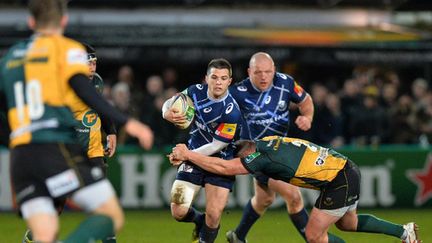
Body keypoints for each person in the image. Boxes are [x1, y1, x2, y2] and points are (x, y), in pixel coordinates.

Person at [0, 1, 153, 242]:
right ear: (64, 20)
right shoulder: (67, 50)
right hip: (54, 147)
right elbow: (86, 90)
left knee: (44, 234)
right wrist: (126, 122)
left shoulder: (10, 57)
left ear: (31, 22)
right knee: (112, 216)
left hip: (20, 156)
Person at [169, 136, 420, 243]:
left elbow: (225, 168)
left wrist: (188, 154)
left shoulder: (261, 158)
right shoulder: (268, 142)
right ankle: (403, 232)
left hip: (338, 180)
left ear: (249, 154)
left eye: (247, 162)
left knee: (313, 234)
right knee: (347, 224)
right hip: (345, 168)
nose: (248, 166)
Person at [21, 43, 119, 243]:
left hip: (93, 153)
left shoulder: (96, 83)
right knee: (54, 208)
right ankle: (32, 238)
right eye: (88, 63)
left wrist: (111, 132)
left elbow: (100, 107)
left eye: (94, 63)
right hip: (65, 155)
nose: (93, 68)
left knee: (104, 207)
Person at [227, 52, 314, 242]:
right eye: (258, 72)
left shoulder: (286, 83)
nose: (264, 76)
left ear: (274, 70)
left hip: (280, 150)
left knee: (264, 199)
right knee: (294, 197)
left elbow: (306, 101)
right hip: (256, 154)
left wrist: (307, 117)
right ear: (249, 71)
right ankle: (313, 239)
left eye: (268, 71)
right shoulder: (236, 92)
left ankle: (237, 236)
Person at [162, 58, 242, 243]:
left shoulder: (232, 111)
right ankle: (199, 221)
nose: (218, 82)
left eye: (223, 78)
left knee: (213, 215)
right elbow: (169, 102)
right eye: (214, 77)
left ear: (229, 81)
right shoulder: (194, 91)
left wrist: (185, 155)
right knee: (178, 211)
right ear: (206, 78)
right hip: (192, 157)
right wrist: (166, 112)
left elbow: (216, 145)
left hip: (220, 162)